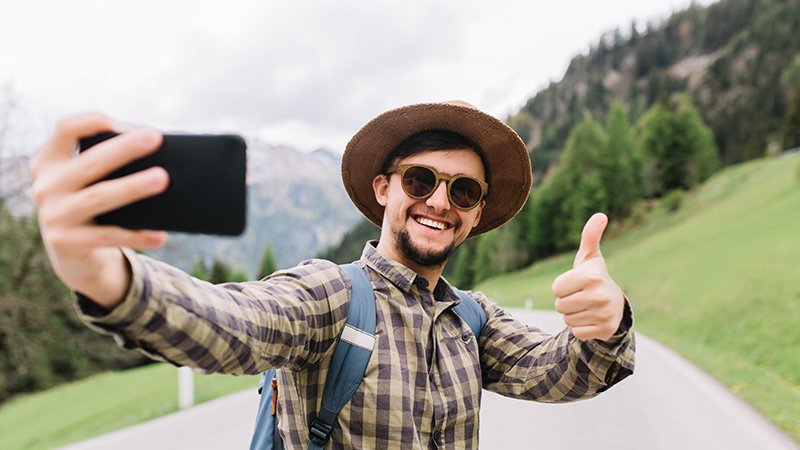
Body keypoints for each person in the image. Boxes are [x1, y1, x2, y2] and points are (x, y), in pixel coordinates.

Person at [29, 101, 635, 449]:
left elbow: (560, 374)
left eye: (464, 190)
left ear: (475, 215)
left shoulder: (472, 319)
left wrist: (608, 322)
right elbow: (231, 324)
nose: (439, 200)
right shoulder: (331, 295)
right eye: (420, 180)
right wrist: (106, 276)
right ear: (385, 190)